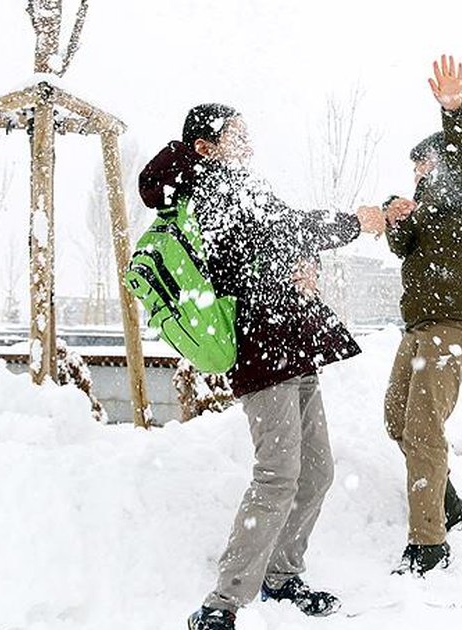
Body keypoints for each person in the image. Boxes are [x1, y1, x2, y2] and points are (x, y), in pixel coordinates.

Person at [138, 103, 386, 630]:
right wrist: (352, 224)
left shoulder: (240, 184)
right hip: (260, 349)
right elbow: (275, 235)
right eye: (236, 134)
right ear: (206, 146)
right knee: (278, 476)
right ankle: (221, 604)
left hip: (291, 341)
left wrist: (306, 266)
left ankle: (281, 575)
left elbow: (280, 241)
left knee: (317, 471)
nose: (248, 140)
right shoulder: (209, 189)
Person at [381, 55, 462, 576]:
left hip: (456, 323)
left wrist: (454, 108)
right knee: (397, 418)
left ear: (447, 161)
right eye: (414, 170)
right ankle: (449, 502)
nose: (419, 175)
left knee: (423, 427)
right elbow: (403, 248)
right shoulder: (428, 208)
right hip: (421, 326)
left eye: (424, 166)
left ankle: (429, 544)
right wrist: (395, 216)